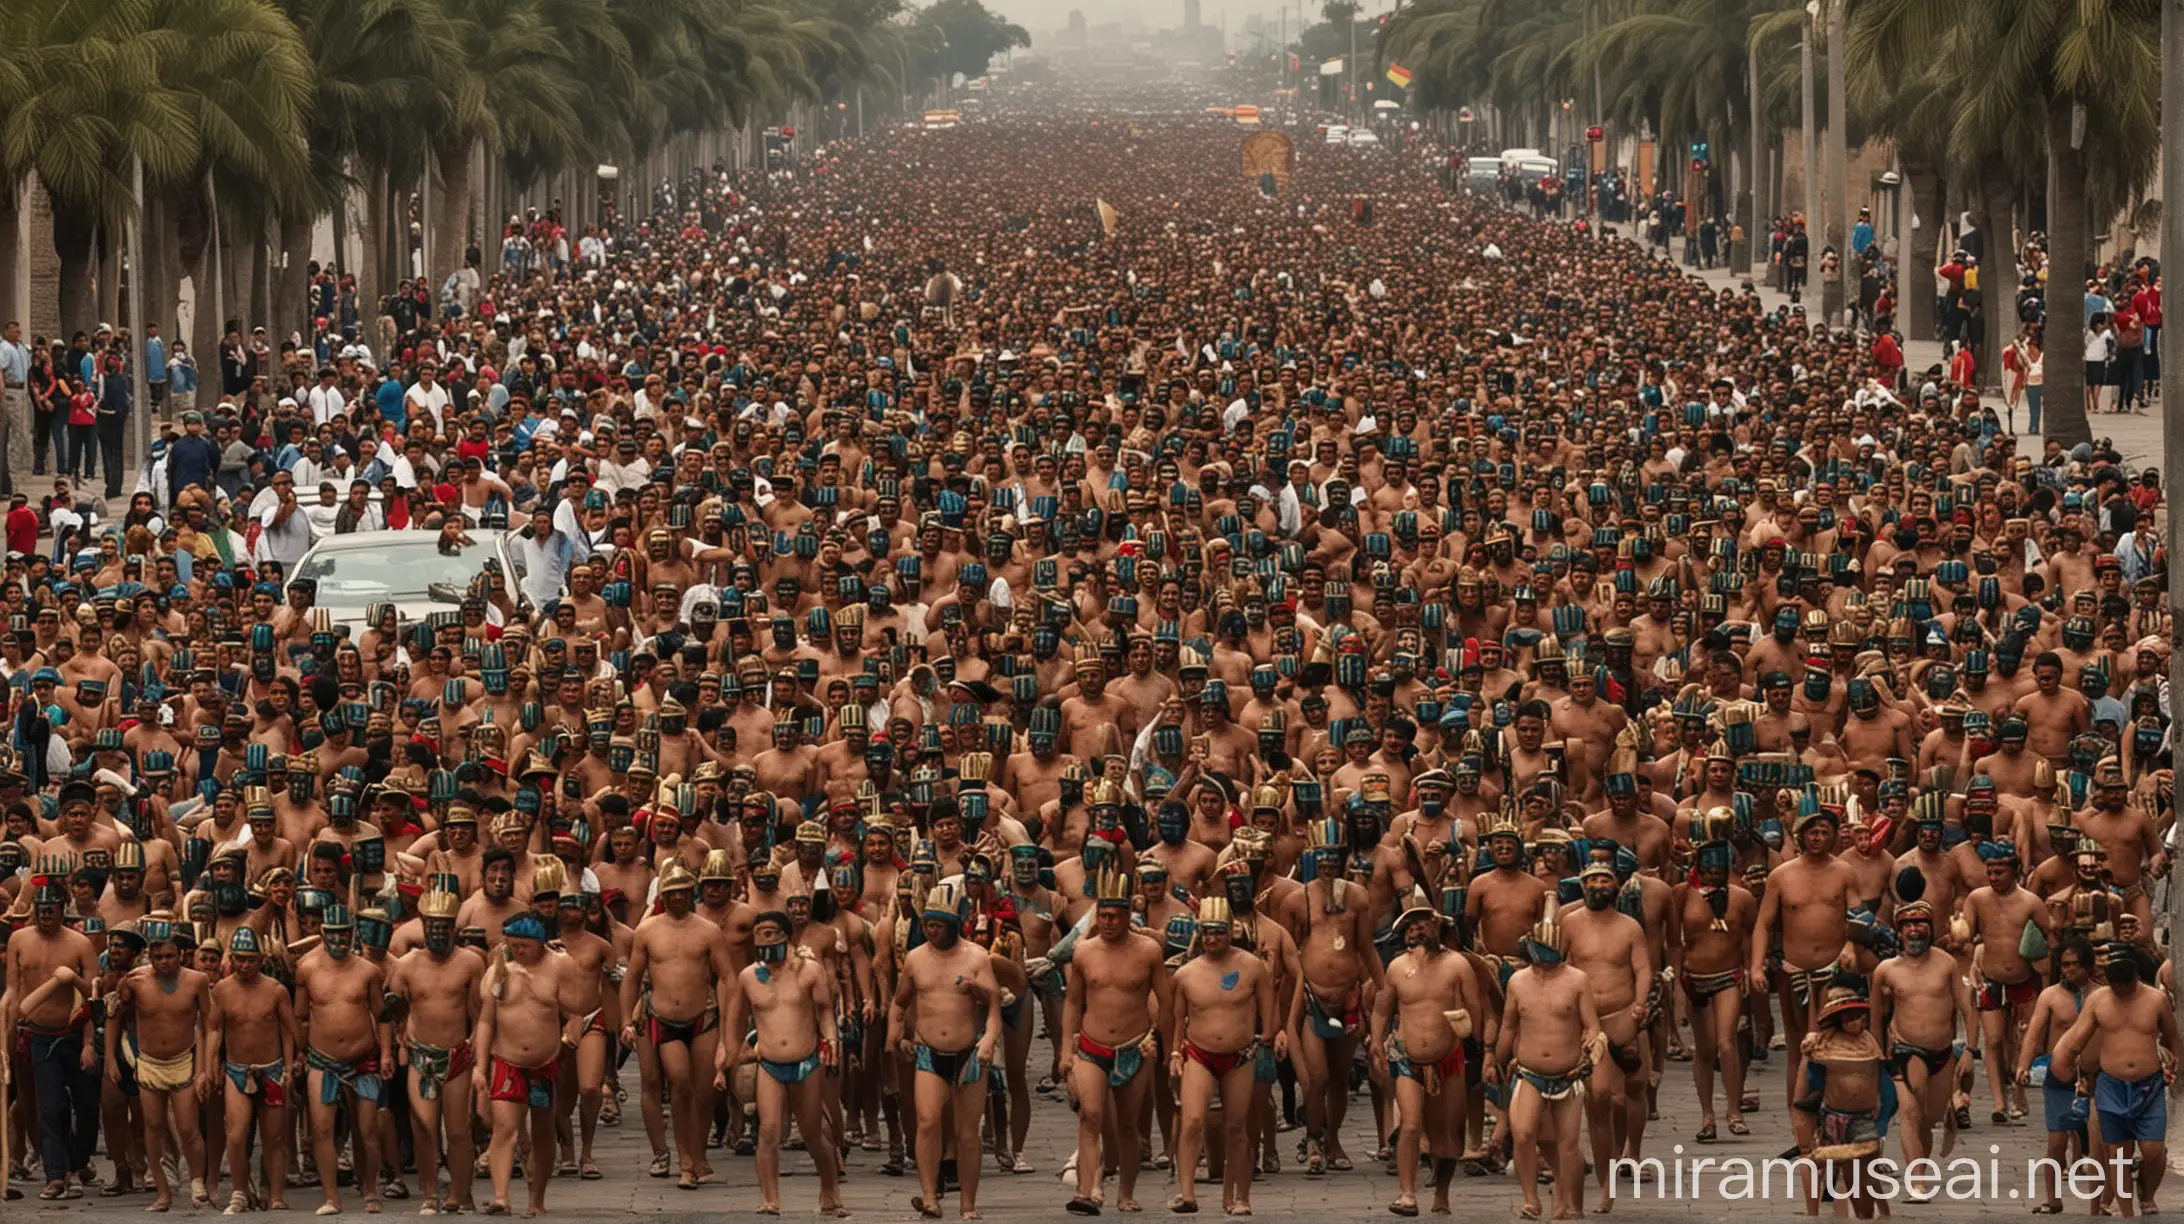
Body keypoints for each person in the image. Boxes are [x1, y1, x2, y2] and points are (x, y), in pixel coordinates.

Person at [714, 908, 847, 1218]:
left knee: (813, 1132)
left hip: (807, 1061)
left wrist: (832, 1044)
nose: (763, 940)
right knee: (769, 1130)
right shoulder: (749, 977)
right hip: (769, 1063)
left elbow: (826, 1011)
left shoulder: (810, 971)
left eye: (770, 933)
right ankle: (770, 1199)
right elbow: (732, 1022)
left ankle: (830, 1190)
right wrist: (726, 1061)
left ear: (786, 936)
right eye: (758, 934)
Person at [1057, 861, 1169, 1215]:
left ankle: (1125, 1193)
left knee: (1128, 1124)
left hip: (1134, 1046)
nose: (1107, 922)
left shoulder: (1148, 951)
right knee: (1090, 1115)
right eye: (1102, 916)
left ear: (1126, 916)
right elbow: (1073, 1002)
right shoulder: (1085, 952)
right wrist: (1065, 1049)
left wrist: (1158, 1037)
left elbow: (1167, 1002)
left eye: (1114, 916)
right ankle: (1090, 1190)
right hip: (1092, 1045)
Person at [618, 860, 736, 1189]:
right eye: (671, 894)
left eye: (683, 893)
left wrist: (728, 1029)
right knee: (679, 1082)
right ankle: (684, 1159)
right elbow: (631, 978)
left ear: (690, 893)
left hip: (704, 1017)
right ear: (664, 896)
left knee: (704, 1091)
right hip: (663, 1018)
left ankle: (698, 1155)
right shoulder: (648, 930)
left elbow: (727, 977)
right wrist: (626, 1019)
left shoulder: (708, 931)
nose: (677, 899)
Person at [889, 880, 1003, 1220]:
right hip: (928, 1050)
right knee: (927, 1122)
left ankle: (968, 1202)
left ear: (954, 925)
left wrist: (988, 1041)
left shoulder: (977, 957)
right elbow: (899, 1004)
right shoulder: (915, 959)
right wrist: (897, 1036)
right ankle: (929, 1197)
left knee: (968, 1132)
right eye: (928, 924)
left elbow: (995, 1006)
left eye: (938, 925)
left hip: (969, 1053)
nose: (931, 930)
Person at [1370, 887, 1483, 1217]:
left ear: (1437, 927)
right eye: (1412, 926)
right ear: (1405, 933)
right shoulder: (1395, 968)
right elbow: (1381, 1009)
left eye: (1423, 923)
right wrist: (1377, 1041)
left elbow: (1476, 1010)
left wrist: (1477, 1044)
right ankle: (1407, 1194)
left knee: (1448, 1136)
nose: (1418, 930)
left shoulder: (1457, 965)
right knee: (1410, 1125)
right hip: (1408, 1059)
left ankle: (1442, 1194)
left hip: (1449, 1060)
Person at [1167, 895, 1280, 1217]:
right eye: (1207, 932)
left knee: (1237, 1126)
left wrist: (1268, 1037)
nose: (1212, 938)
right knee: (1192, 1121)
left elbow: (1270, 1014)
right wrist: (1175, 1052)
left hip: (1240, 1055)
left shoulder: (1252, 966)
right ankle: (1186, 1193)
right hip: (1198, 1053)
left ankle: (1238, 1196)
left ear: (1230, 931)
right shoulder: (1186, 974)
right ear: (1199, 935)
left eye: (1218, 932)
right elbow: (1177, 1020)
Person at [2051, 939, 2178, 1213]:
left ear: (2135, 976)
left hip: (2149, 1086)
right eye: (2115, 985)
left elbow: (2172, 1038)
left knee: (2154, 1151)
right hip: (2111, 1085)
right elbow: (2076, 1040)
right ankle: (2127, 1214)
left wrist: (2174, 1067)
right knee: (2118, 1155)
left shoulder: (2156, 1000)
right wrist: (2066, 1067)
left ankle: (2146, 1191)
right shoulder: (2098, 1001)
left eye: (2125, 984)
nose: (2120, 989)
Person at [104, 916, 217, 1211]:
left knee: (188, 1127)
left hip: (183, 1059)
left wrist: (205, 1068)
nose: (164, 962)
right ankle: (163, 1193)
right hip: (149, 1061)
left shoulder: (197, 980)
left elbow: (209, 1024)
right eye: (157, 957)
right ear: (148, 956)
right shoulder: (136, 980)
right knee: (152, 1127)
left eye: (169, 956)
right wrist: (111, 1060)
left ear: (180, 954)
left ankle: (196, 1182)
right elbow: (114, 1015)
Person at [473, 911, 581, 1218]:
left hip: (543, 1062)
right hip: (506, 1059)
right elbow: (485, 1020)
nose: (519, 951)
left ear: (541, 942)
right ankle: (501, 1196)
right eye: (513, 945)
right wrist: (480, 1067)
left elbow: (577, 1007)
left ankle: (537, 1198)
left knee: (543, 1130)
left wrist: (573, 1031)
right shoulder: (501, 970)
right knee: (505, 1128)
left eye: (525, 946)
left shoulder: (561, 965)